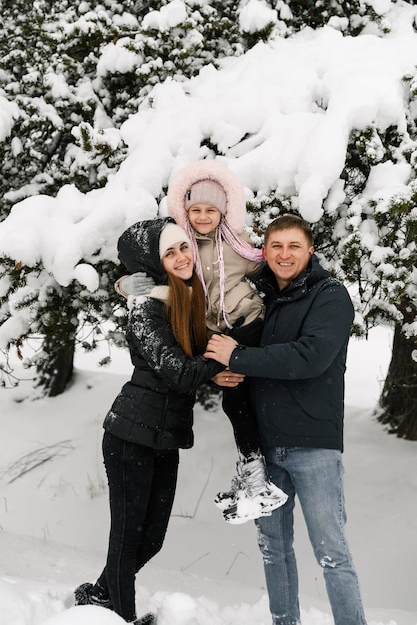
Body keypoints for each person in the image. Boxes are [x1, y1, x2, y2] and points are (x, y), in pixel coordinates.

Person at [204, 214, 368, 625]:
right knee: (273, 549)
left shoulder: (329, 296)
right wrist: (223, 372)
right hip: (265, 449)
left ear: (310, 250)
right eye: (276, 246)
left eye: (294, 246)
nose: (284, 254)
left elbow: (309, 358)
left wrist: (238, 357)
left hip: (313, 444)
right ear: (265, 251)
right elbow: (239, 357)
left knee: (332, 552)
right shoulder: (260, 297)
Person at [73, 217, 237, 625]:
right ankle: (121, 616)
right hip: (130, 433)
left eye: (184, 247)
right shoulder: (146, 309)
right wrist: (215, 363)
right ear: (154, 261)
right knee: (128, 536)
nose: (182, 257)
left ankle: (99, 595)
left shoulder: (184, 295)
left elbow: (191, 362)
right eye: (170, 252)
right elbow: (177, 371)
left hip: (164, 435)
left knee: (152, 538)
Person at [117, 159, 287, 524]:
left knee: (242, 397)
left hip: (248, 324)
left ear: (225, 211)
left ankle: (258, 478)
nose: (204, 216)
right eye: (195, 209)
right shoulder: (184, 247)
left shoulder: (237, 248)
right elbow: (156, 276)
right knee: (235, 400)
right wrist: (129, 285)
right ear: (184, 211)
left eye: (212, 209)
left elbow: (271, 268)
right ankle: (253, 474)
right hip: (216, 336)